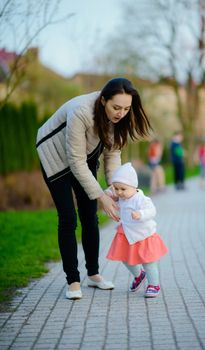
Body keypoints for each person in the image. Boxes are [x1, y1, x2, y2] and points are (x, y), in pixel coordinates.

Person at [36, 78, 152, 300]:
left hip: (82, 155)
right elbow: (75, 161)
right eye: (116, 107)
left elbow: (112, 154)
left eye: (126, 109)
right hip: (55, 155)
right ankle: (73, 281)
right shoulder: (82, 112)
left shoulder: (119, 119)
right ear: (103, 101)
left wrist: (115, 190)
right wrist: (101, 196)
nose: (121, 113)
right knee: (68, 218)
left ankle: (93, 274)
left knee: (90, 215)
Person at [106, 163, 168, 298]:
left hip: (143, 235)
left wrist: (141, 214)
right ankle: (139, 275)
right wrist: (109, 194)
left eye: (123, 189)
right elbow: (112, 197)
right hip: (127, 233)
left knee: (148, 261)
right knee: (125, 259)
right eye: (116, 189)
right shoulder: (121, 197)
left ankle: (154, 284)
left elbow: (152, 211)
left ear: (134, 187)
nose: (119, 192)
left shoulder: (141, 199)